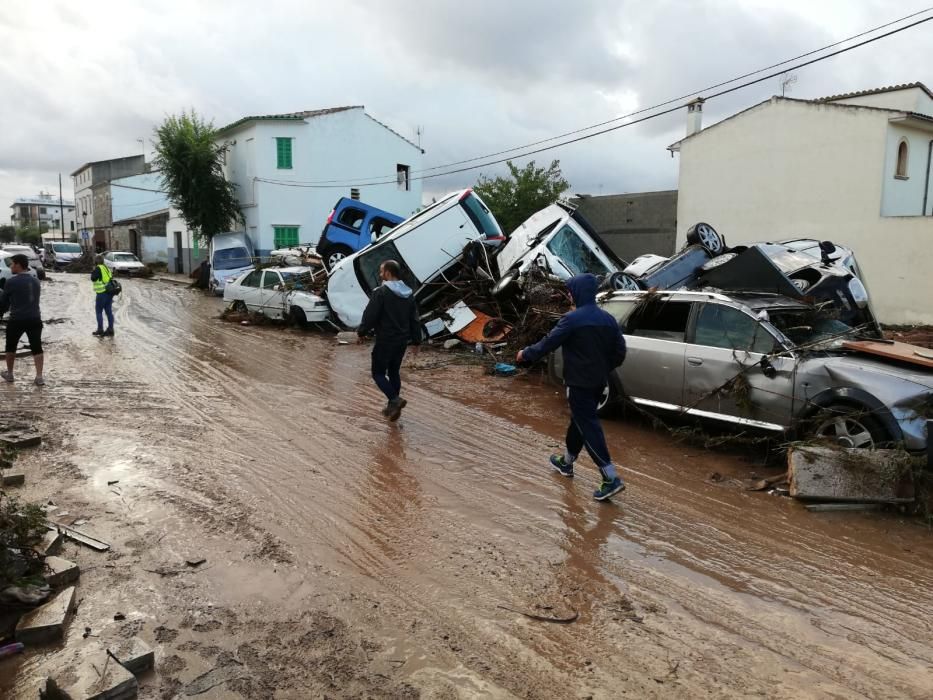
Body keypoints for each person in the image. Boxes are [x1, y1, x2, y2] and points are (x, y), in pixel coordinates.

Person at [517, 274, 627, 501]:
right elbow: (620, 352)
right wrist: (604, 368)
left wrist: (526, 354)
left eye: (570, 291)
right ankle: (566, 463)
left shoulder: (572, 319)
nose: (568, 295)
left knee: (588, 425)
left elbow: (548, 342)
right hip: (599, 383)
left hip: (579, 383)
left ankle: (610, 477)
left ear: (577, 292)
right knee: (579, 421)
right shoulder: (608, 319)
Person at [357, 260, 422, 421]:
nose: (380, 275)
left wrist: (362, 332)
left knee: (378, 373)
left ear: (387, 273)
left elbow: (370, 315)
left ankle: (394, 399)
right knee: (393, 372)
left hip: (385, 340)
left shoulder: (381, 292)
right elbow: (414, 319)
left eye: (381, 272)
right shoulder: (409, 294)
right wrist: (416, 341)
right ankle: (393, 408)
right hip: (401, 341)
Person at [0, 254, 45, 386]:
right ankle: (39, 376)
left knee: (10, 346)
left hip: (17, 319)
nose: (11, 266)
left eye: (12, 264)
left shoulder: (11, 282)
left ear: (19, 265)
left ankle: (10, 374)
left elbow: (4, 303)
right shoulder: (36, 281)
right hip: (35, 318)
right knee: (37, 347)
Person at [91, 255, 115, 336]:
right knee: (109, 312)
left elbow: (93, 278)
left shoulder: (98, 268)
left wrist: (93, 270)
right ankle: (111, 329)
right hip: (109, 293)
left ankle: (100, 329)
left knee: (99, 312)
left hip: (101, 293)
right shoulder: (106, 268)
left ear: (96, 261)